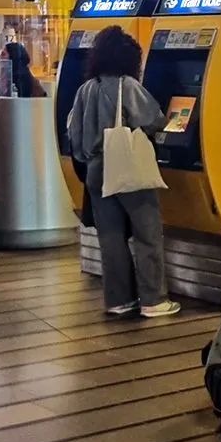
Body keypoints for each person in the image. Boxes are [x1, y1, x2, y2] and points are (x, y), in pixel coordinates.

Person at [65, 25, 177, 318]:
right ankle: (153, 300)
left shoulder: (85, 89)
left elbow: (73, 133)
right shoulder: (127, 86)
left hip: (95, 171)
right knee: (147, 233)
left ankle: (119, 300)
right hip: (126, 166)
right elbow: (153, 119)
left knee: (111, 237)